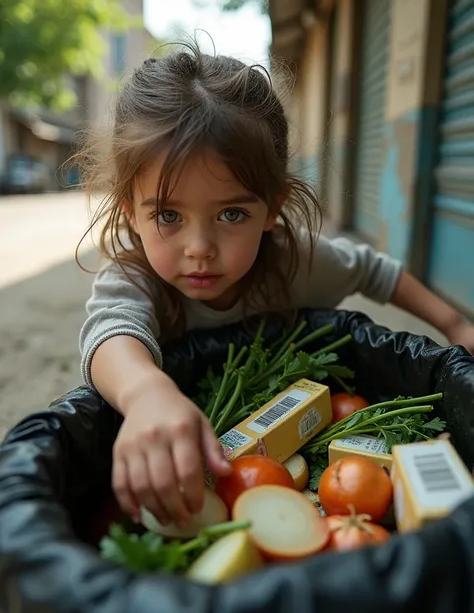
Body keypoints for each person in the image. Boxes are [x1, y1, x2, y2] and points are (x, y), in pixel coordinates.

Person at [76, 41, 474, 531]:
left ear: (273, 207)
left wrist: (455, 322)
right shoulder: (135, 277)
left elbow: (377, 272)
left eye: (231, 214)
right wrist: (145, 392)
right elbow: (109, 334)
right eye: (168, 215)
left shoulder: (295, 261)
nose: (199, 247)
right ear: (129, 213)